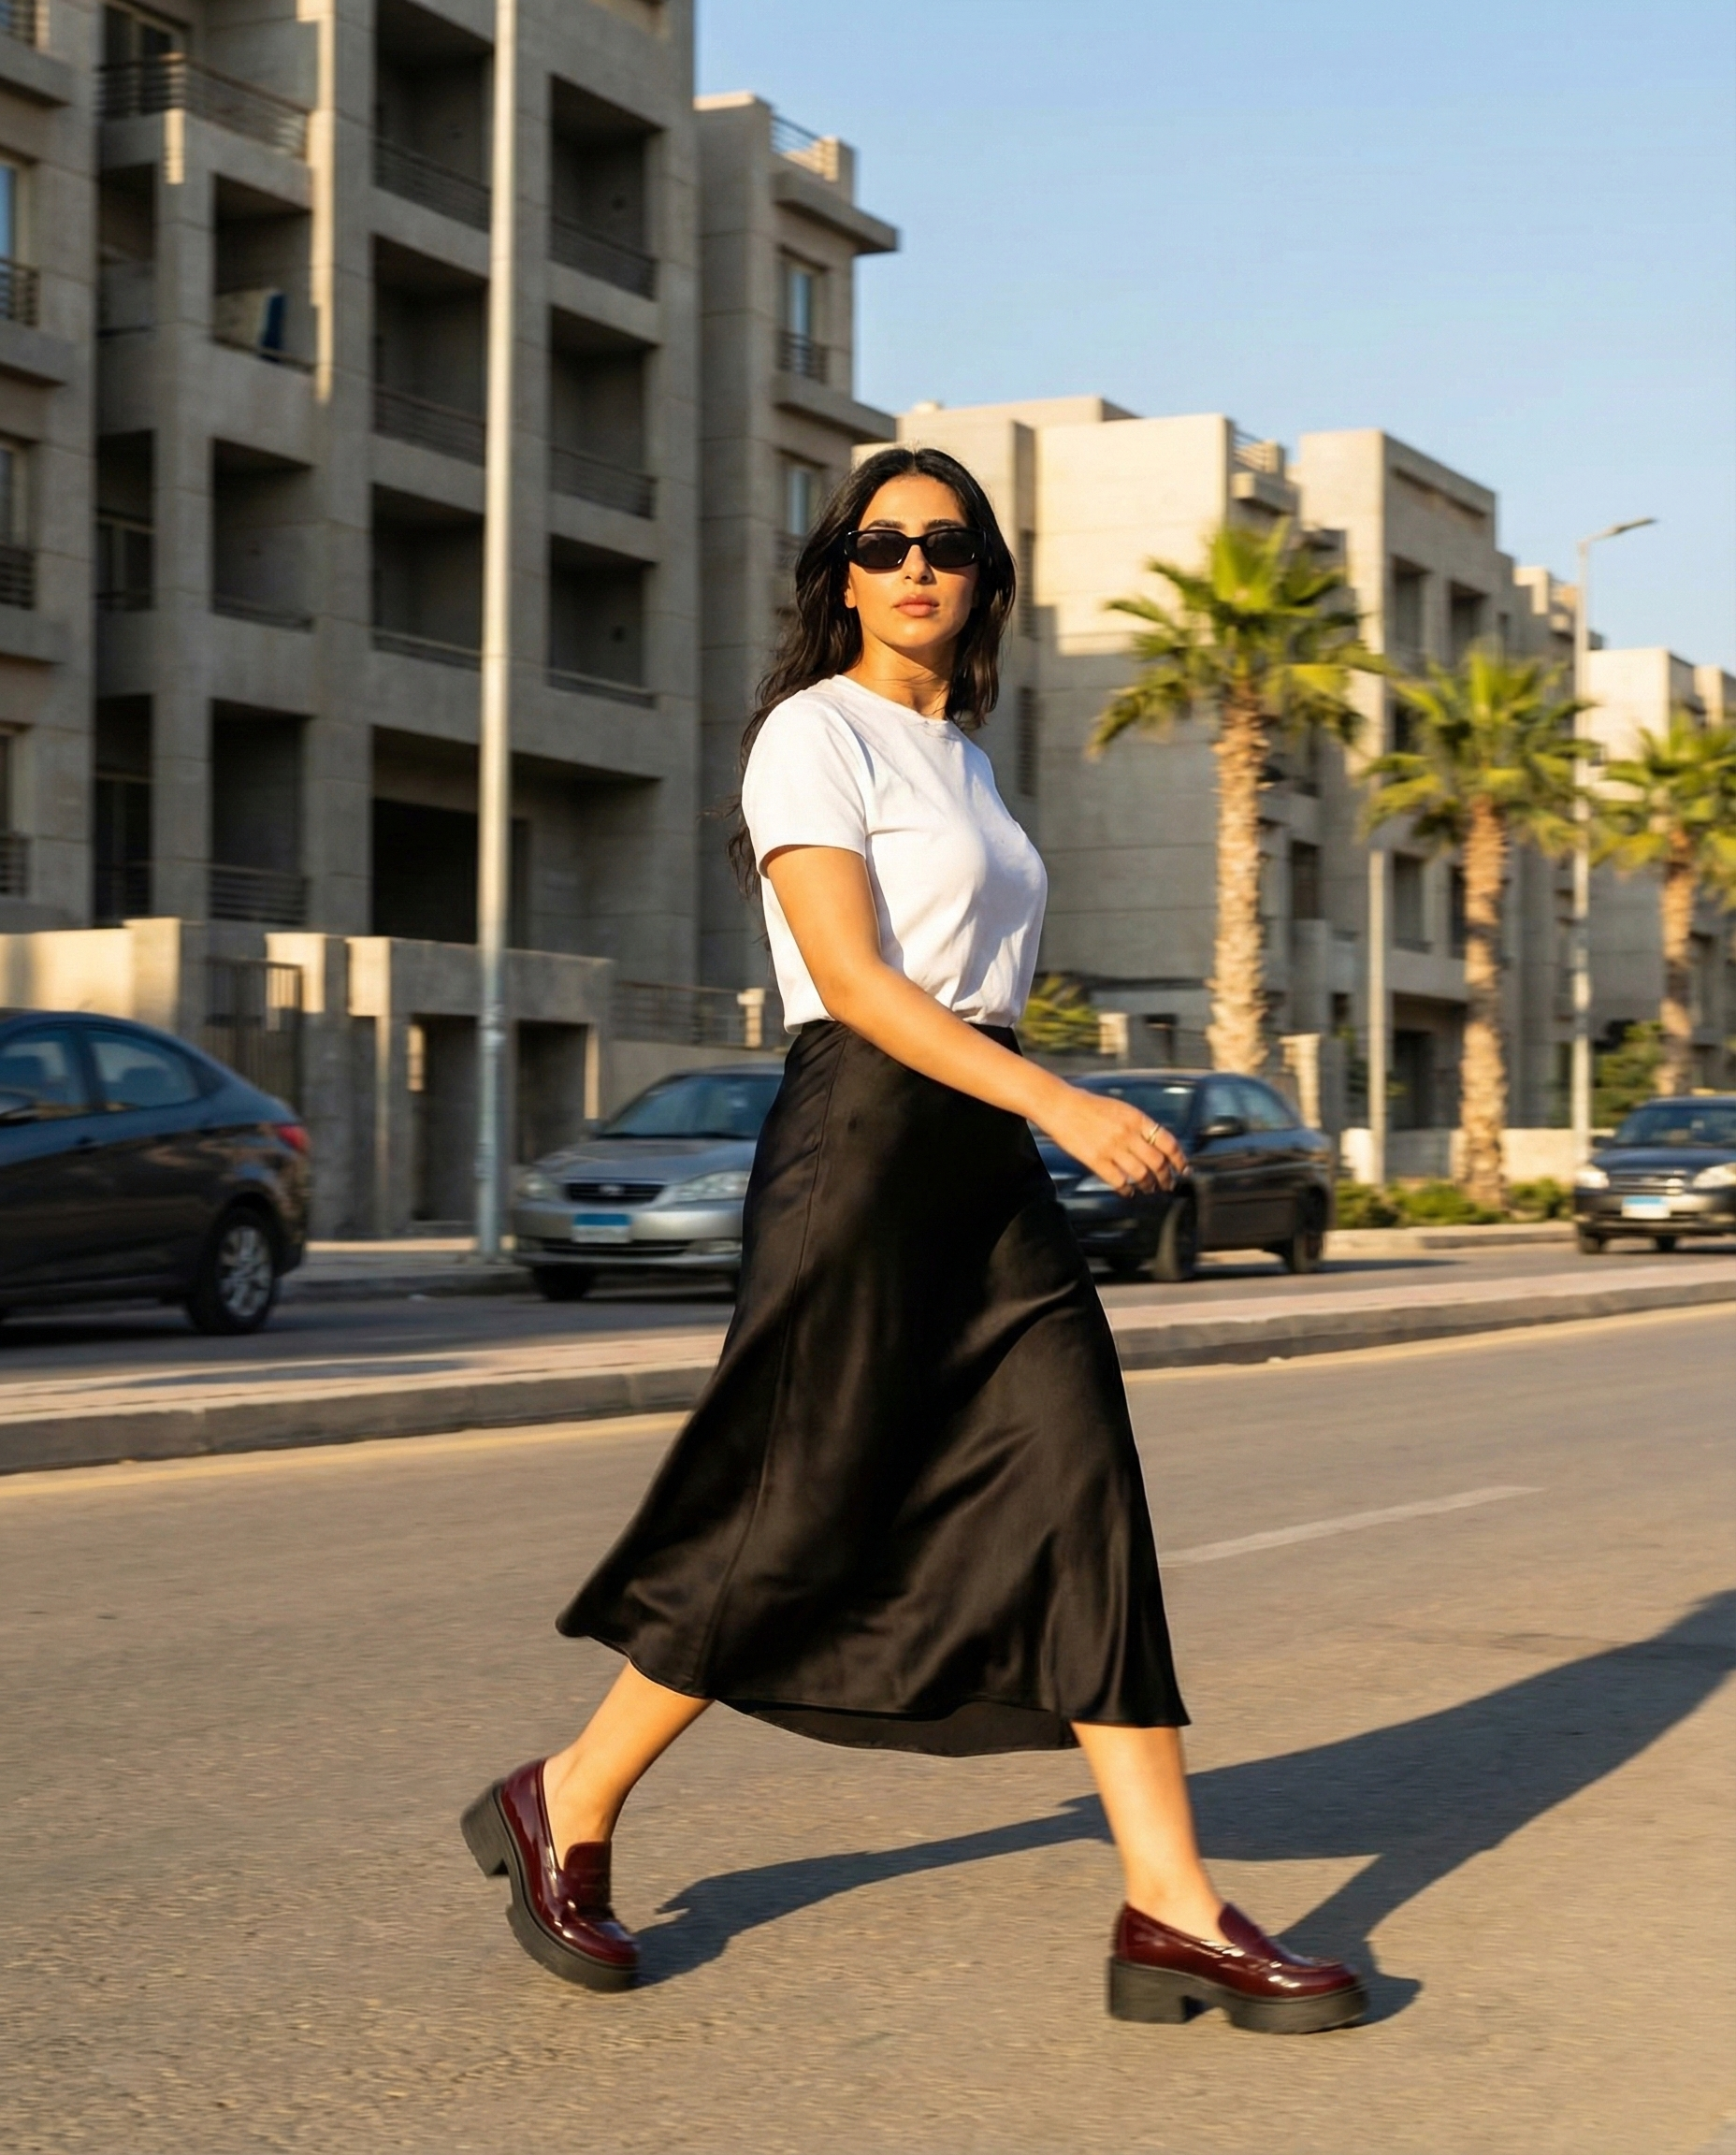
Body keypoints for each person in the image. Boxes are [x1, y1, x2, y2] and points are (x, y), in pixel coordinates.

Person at [462, 445, 1366, 2034]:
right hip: (865, 1144)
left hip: (978, 1159)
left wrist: (1023, 1110)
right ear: (842, 574)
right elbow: (858, 983)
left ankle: (1168, 1904)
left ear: (985, 579)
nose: (915, 567)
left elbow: (971, 984)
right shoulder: (816, 734)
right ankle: (571, 1794)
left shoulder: (968, 760)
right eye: (881, 545)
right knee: (798, 1506)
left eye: (945, 544)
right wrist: (1064, 1104)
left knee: (1082, 1498)